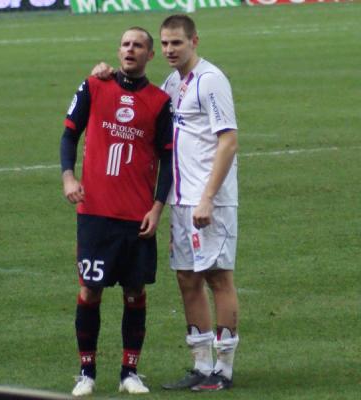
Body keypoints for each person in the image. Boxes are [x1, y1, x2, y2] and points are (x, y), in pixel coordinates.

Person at [91, 14, 240, 392]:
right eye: (167, 43)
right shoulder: (172, 84)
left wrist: (207, 197)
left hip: (211, 201)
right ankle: (201, 364)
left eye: (178, 42)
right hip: (181, 201)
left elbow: (228, 141)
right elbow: (138, 100)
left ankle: (223, 369)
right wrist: (105, 74)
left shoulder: (211, 81)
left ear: (194, 41)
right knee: (187, 279)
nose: (172, 49)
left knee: (218, 277)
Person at [60, 27, 173, 396]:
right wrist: (68, 178)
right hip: (95, 212)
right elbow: (69, 134)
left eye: (138, 45)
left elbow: (170, 160)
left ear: (149, 55)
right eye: (125, 44)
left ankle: (129, 372)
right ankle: (86, 372)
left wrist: (158, 209)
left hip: (137, 215)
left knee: (134, 291)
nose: (130, 50)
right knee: (90, 291)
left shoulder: (160, 101)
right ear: (118, 50)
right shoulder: (95, 85)